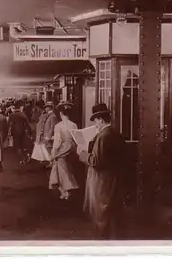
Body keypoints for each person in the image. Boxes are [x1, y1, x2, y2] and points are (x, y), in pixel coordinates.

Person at [78, 103, 126, 239]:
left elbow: (95, 161)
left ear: (100, 119)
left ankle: (101, 241)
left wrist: (82, 154)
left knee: (100, 211)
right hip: (113, 178)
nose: (95, 125)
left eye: (95, 121)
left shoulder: (103, 136)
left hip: (101, 180)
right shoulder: (115, 133)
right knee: (111, 211)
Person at [48, 102, 79, 200]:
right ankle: (65, 190)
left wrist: (53, 153)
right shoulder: (74, 125)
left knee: (61, 170)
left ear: (61, 113)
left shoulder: (58, 125)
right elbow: (75, 138)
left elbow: (57, 141)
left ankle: (65, 191)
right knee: (68, 168)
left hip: (62, 148)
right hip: (72, 148)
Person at [31, 101, 58, 166]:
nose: (45, 109)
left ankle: (53, 162)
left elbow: (52, 127)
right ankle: (51, 162)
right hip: (45, 134)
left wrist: (49, 136)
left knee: (49, 149)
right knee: (47, 148)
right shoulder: (46, 115)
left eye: (47, 107)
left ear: (50, 108)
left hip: (48, 135)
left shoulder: (53, 116)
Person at [8, 100, 33, 165]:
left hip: (15, 133)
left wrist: (9, 134)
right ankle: (26, 156)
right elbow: (28, 125)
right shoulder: (23, 115)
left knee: (17, 146)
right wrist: (30, 133)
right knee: (24, 145)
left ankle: (21, 159)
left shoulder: (11, 115)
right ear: (20, 107)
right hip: (23, 132)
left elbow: (9, 124)